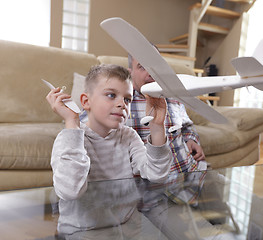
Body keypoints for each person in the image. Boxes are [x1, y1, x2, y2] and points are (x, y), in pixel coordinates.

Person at [45, 64, 172, 235]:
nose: (122, 104)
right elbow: (70, 190)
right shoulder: (69, 139)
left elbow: (157, 174)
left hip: (127, 224)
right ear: (85, 102)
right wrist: (71, 123)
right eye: (111, 95)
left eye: (127, 99)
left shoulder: (128, 135)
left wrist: (157, 127)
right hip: (82, 230)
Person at [127, 53, 207, 174]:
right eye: (142, 67)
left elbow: (186, 125)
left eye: (155, 66)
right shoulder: (122, 102)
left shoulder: (173, 95)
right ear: (130, 72)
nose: (151, 73)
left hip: (192, 174)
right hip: (154, 186)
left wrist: (191, 139)